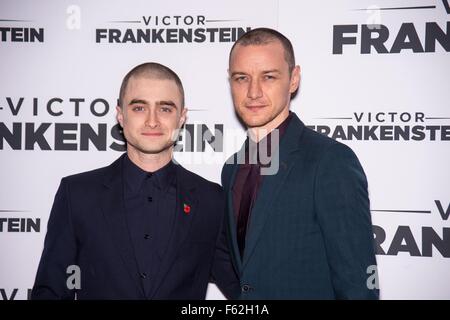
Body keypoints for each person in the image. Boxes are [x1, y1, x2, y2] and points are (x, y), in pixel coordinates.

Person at [31, 62, 239, 300]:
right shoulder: (77, 195)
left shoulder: (210, 199)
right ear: (120, 114)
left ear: (182, 117)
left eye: (165, 109)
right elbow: (52, 290)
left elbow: (241, 288)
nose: (152, 121)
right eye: (139, 108)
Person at [221, 28, 379, 299]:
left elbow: (357, 284)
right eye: (241, 78)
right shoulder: (231, 168)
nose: (253, 92)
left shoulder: (330, 161)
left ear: (293, 80)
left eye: (268, 77)